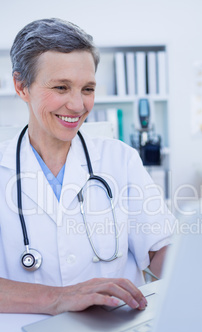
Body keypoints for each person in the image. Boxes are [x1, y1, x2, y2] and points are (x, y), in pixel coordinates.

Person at [0, 18, 175, 315]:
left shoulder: (121, 160)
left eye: (88, 89)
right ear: (21, 86)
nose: (78, 106)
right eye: (61, 87)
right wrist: (59, 297)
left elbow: (159, 249)